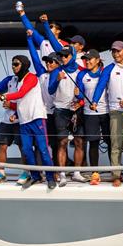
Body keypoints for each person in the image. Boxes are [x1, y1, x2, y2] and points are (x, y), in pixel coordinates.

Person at [0, 55, 57, 190]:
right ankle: (35, 176)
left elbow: (21, 94)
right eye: (13, 64)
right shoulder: (17, 81)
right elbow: (22, 102)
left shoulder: (31, 78)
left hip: (37, 118)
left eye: (16, 64)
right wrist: (16, 114)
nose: (14, 67)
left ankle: (50, 177)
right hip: (24, 121)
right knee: (26, 149)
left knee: (43, 149)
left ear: (24, 65)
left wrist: (3, 96)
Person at [93, 40, 123, 187]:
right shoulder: (108, 69)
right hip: (115, 110)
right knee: (116, 144)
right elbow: (100, 86)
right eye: (113, 51)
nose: (115, 53)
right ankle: (116, 175)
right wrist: (94, 100)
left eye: (118, 51)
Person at [48, 46, 87, 184]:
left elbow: (85, 93)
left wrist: (80, 101)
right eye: (61, 56)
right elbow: (50, 90)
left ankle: (77, 172)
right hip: (60, 110)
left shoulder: (81, 71)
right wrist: (57, 79)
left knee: (79, 141)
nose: (63, 58)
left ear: (73, 56)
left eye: (66, 56)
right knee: (62, 142)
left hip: (76, 110)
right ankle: (62, 173)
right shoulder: (57, 71)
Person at [26, 35, 61, 179]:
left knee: (57, 144)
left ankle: (57, 172)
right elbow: (34, 57)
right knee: (41, 145)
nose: (48, 64)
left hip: (57, 113)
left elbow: (53, 89)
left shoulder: (60, 73)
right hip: (43, 114)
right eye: (47, 61)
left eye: (51, 62)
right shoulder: (42, 74)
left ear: (58, 63)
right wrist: (29, 40)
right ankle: (39, 172)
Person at [76, 50, 110, 172]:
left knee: (109, 141)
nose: (87, 61)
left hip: (105, 111)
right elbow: (80, 95)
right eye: (86, 59)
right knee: (93, 143)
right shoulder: (82, 75)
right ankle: (95, 172)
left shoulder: (105, 73)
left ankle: (115, 171)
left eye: (90, 59)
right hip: (89, 113)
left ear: (97, 60)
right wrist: (78, 94)